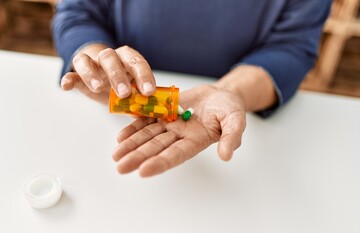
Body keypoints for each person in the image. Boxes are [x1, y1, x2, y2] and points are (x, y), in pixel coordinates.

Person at [53, 0, 332, 177]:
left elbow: (292, 47)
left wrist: (232, 90)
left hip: (254, 134)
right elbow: (77, 12)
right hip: (108, 118)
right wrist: (100, 61)